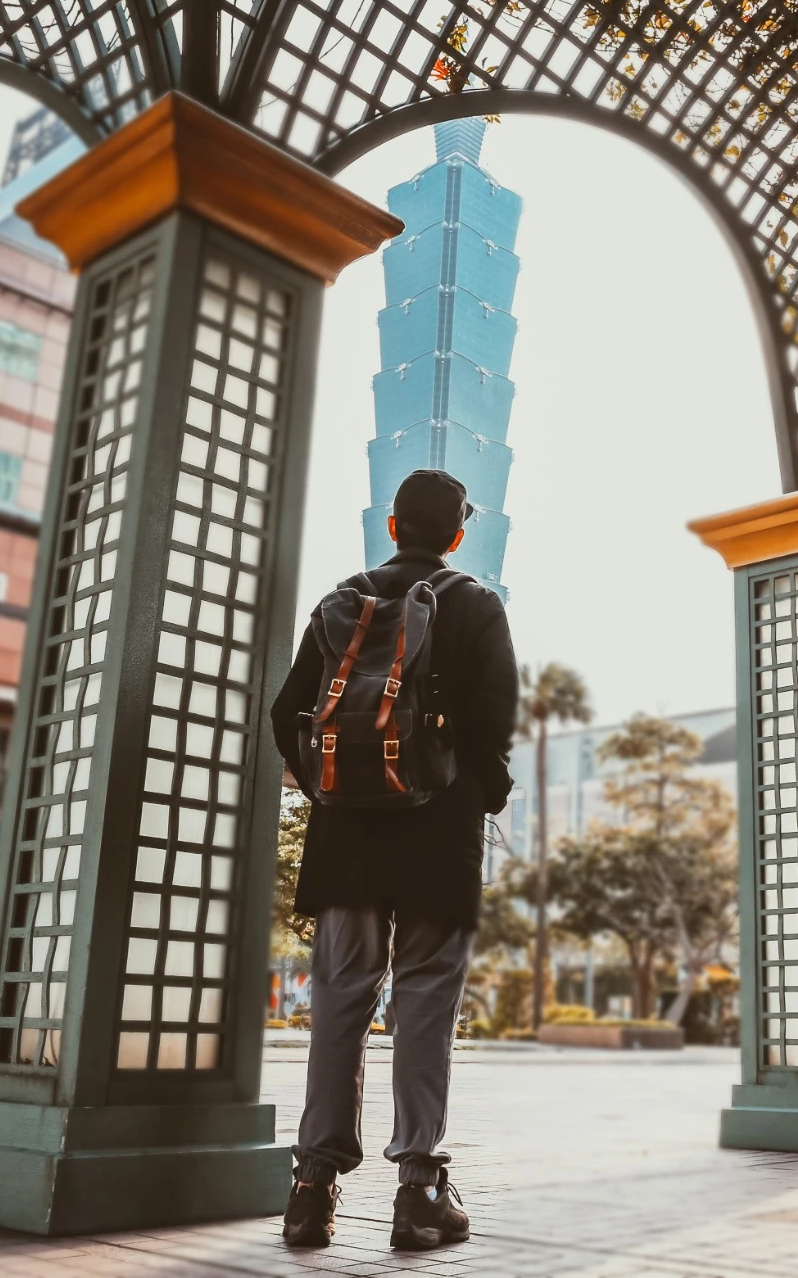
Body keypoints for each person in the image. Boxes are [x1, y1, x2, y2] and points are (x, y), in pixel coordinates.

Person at [269, 468, 517, 1252]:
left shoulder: (341, 600)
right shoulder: (475, 603)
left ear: (392, 525)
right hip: (440, 831)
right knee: (426, 1002)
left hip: (346, 834)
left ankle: (311, 1190)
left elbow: (286, 712)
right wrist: (484, 791)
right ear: (456, 535)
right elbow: (493, 723)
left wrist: (331, 786)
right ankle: (418, 1192)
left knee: (340, 999)